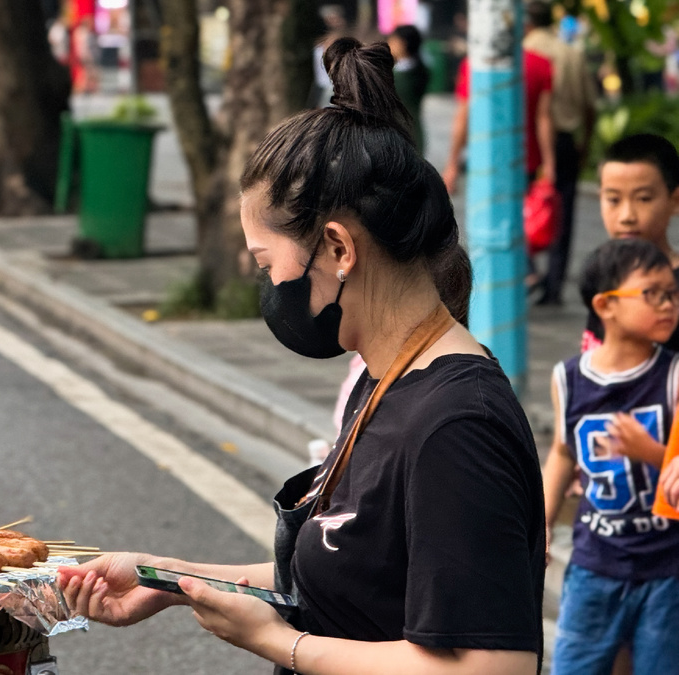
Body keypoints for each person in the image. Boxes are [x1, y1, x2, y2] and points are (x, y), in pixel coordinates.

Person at [60, 38, 544, 675]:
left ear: (339, 248)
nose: (266, 284)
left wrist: (277, 642)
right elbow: (346, 572)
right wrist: (168, 578)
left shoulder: (456, 427)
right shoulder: (389, 381)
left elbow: (492, 668)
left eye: (267, 262)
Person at [542, 238, 679, 675]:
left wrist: (650, 452)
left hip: (666, 568)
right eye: (652, 294)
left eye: (671, 293)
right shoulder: (568, 379)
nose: (668, 304)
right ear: (606, 305)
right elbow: (562, 453)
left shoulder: (674, 374)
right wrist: (541, 522)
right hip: (594, 564)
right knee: (575, 666)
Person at [524, 1, 599, 306]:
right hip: (565, 142)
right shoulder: (571, 53)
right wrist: (586, 145)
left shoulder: (519, 55)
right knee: (561, 215)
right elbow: (590, 107)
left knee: (520, 211)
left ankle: (527, 271)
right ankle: (553, 286)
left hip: (526, 142)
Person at [582, 134, 679, 352]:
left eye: (644, 198)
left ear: (675, 201)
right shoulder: (603, 275)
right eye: (613, 200)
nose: (627, 216)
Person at [442, 43, 556, 195]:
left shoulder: (476, 64)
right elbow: (543, 118)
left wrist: (452, 163)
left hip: (484, 161)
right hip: (526, 162)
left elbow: (464, 117)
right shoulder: (541, 63)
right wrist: (549, 164)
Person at [387, 24, 429, 154]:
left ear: (402, 44)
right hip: (413, 133)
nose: (389, 43)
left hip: (399, 136)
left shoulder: (398, 76)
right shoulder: (421, 70)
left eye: (392, 40)